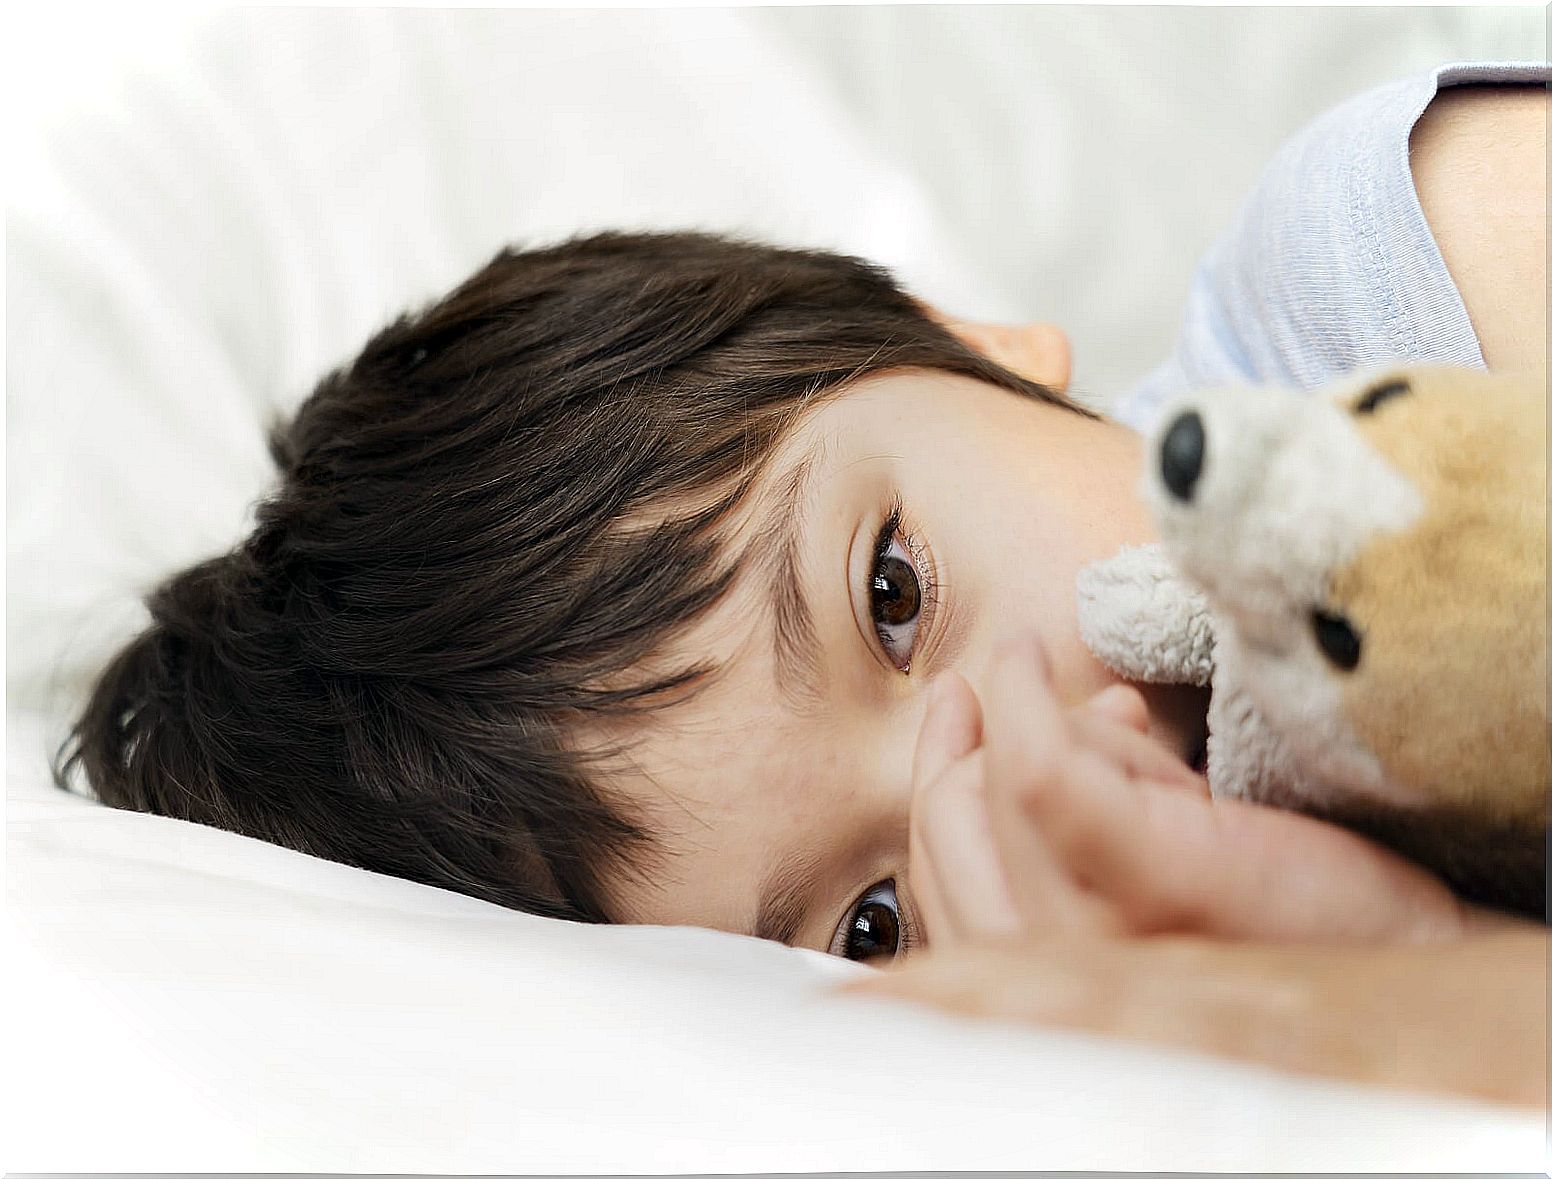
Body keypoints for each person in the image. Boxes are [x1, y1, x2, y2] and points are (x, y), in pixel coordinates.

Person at [55, 65, 1547, 1101]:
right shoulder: (1233, 1029)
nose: (1008, 749)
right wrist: (1395, 969)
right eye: (874, 924)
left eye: (891, 593)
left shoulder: (1398, 282)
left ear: (961, 335)